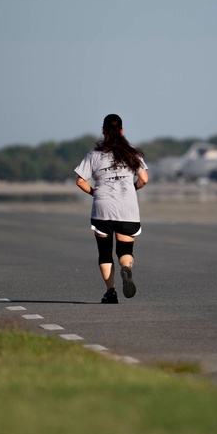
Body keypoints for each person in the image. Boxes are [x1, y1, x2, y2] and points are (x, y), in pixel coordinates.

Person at [74, 113, 149, 304]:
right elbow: (144, 179)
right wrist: (133, 188)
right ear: (122, 131)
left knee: (105, 252)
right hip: (127, 207)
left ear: (103, 131)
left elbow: (80, 181)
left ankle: (111, 291)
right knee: (125, 251)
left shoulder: (94, 154)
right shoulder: (133, 153)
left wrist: (94, 193)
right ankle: (127, 268)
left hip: (102, 207)